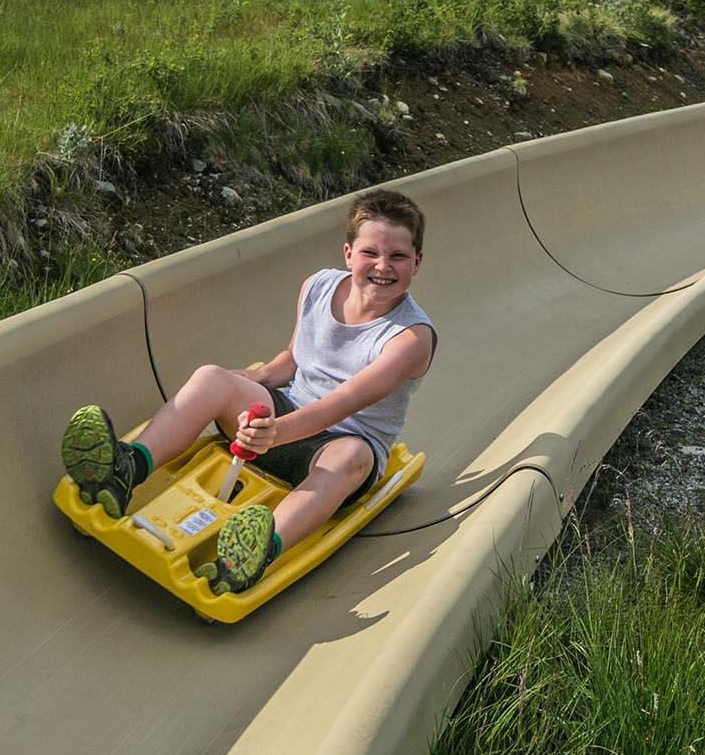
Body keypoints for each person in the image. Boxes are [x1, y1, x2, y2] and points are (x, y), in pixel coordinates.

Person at [62, 188, 436, 594]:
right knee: (210, 377)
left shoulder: (410, 338)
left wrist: (275, 433)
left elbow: (341, 403)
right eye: (370, 253)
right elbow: (294, 359)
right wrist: (249, 381)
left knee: (350, 457)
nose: (383, 266)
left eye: (398, 256)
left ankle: (255, 552)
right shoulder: (319, 286)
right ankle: (125, 470)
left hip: (341, 442)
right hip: (285, 416)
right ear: (349, 254)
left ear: (416, 262)